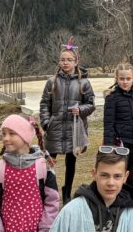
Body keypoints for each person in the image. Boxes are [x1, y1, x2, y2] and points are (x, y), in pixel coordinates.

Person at [40, 38, 95, 205]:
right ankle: (48, 193)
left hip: (74, 129)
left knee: (71, 162)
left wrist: (81, 109)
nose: (65, 62)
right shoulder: (52, 82)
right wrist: (46, 122)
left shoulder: (83, 83)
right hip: (54, 128)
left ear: (76, 61)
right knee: (49, 162)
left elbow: (91, 104)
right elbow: (44, 103)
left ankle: (67, 193)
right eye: (62, 59)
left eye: (69, 60)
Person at [103, 62, 133, 205]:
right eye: (122, 79)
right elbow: (108, 124)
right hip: (121, 145)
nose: (125, 82)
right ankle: (120, 205)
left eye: (128, 79)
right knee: (120, 177)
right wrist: (109, 145)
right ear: (116, 78)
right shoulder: (112, 97)